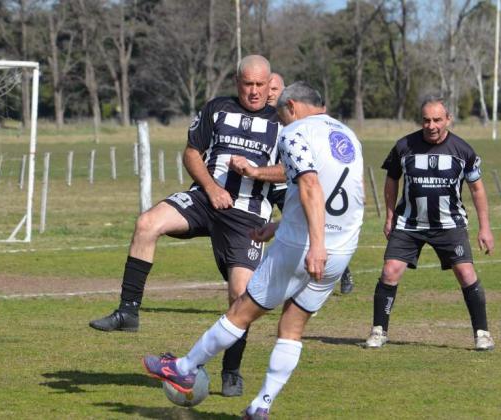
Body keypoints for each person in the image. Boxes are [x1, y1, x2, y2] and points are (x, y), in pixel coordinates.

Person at [142, 81, 365, 419]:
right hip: (342, 246)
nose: (282, 121)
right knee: (292, 326)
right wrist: (280, 226)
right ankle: (261, 406)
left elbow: (310, 186)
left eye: (281, 114)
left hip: (306, 247)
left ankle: (185, 367)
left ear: (291, 107)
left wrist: (314, 244)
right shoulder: (348, 137)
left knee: (242, 310)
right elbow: (341, 194)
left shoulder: (295, 133)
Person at [89, 55, 285, 397]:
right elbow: (192, 152)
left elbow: (292, 173)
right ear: (237, 82)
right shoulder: (217, 109)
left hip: (248, 216)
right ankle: (128, 312)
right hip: (204, 200)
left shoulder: (283, 123)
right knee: (147, 223)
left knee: (241, 296)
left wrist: (257, 177)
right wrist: (211, 188)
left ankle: (232, 371)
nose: (253, 91)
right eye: (247, 84)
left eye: (260, 85)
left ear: (271, 85)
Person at [364, 95, 495, 351]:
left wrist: (485, 227)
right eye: (426, 120)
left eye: (437, 120)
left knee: (466, 274)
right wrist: (390, 215)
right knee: (390, 271)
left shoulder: (463, 151)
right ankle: (379, 330)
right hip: (409, 224)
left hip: (449, 225)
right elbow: (391, 180)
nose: (431, 126)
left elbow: (477, 190)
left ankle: (483, 333)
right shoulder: (404, 147)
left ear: (448, 119)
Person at [264, 73, 355, 296]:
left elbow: (305, 176)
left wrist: (257, 172)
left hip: (290, 187)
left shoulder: (299, 127)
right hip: (266, 186)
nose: (269, 94)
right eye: (267, 89)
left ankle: (336, 270)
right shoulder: (267, 120)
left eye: (274, 89)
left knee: (309, 231)